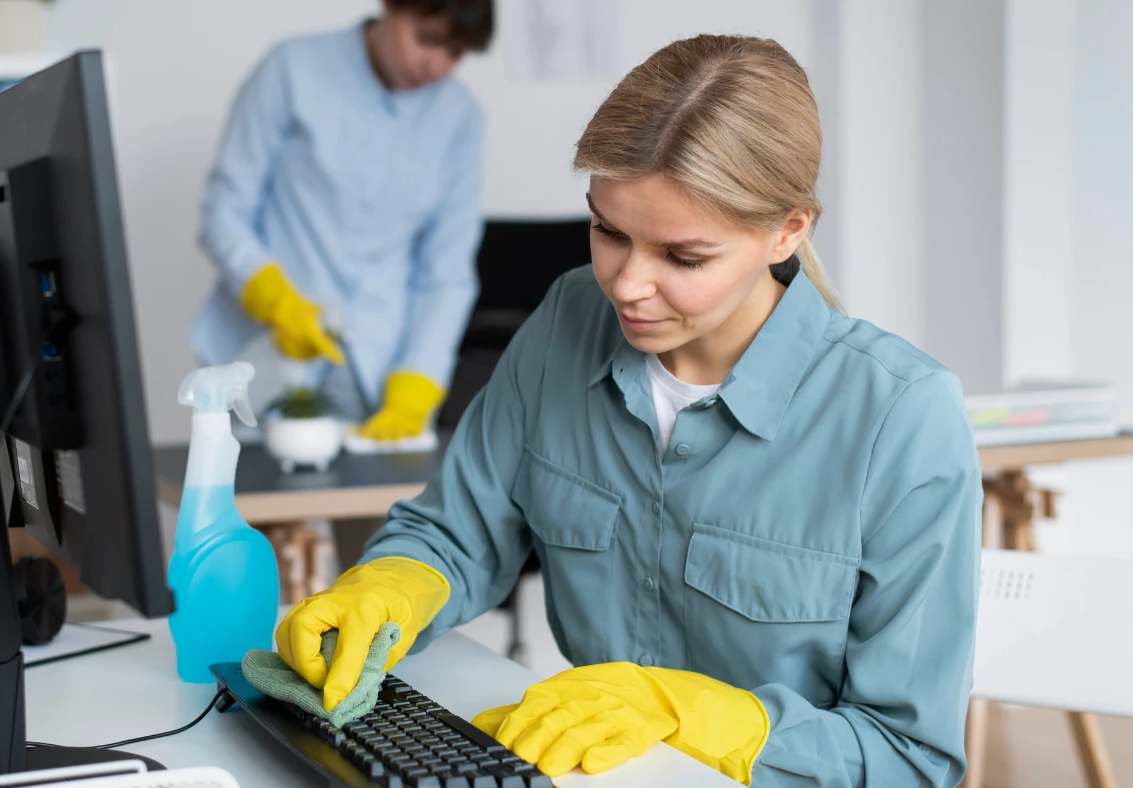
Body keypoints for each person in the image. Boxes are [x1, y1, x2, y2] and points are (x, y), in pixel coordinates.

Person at [274, 34, 981, 787]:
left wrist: (685, 712)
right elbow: (458, 532)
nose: (626, 285)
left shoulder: (903, 418)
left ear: (789, 229)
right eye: (608, 231)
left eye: (683, 257)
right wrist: (391, 586)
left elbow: (911, 758)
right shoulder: (566, 318)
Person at [192, 0, 494, 441]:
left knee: (383, 508)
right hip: (263, 355)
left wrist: (418, 379)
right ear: (391, 7)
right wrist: (272, 296)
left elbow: (446, 271)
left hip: (377, 364)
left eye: (456, 52)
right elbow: (225, 211)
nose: (436, 65)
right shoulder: (292, 69)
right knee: (262, 505)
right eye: (426, 40)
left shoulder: (459, 118)